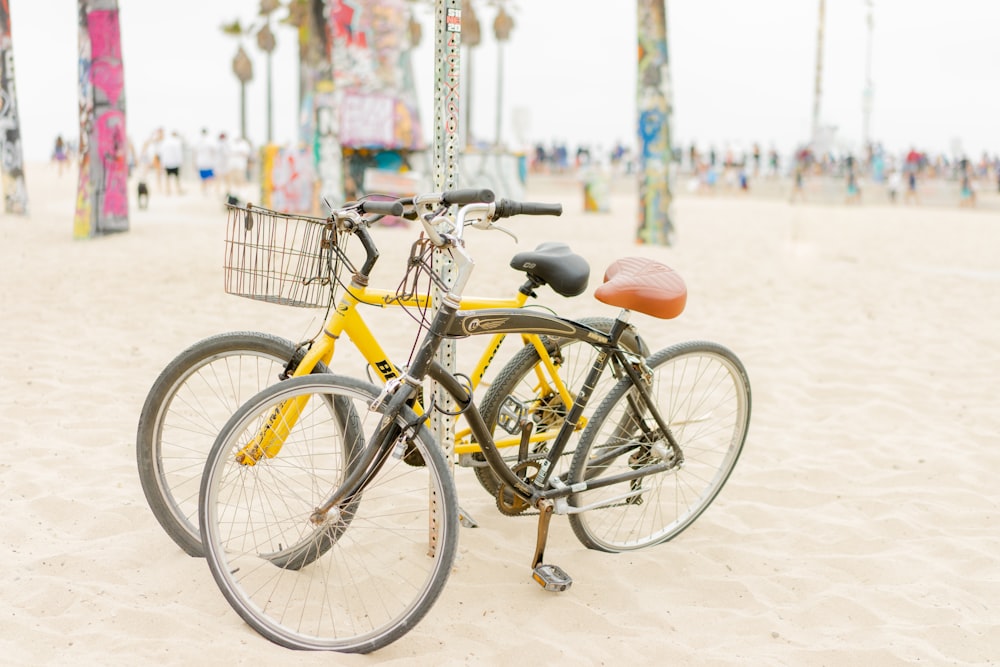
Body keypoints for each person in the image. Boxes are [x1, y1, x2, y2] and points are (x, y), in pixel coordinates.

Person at [193, 128, 219, 194]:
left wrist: (194, 163)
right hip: (208, 163)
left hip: (201, 162)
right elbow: (214, 151)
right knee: (210, 177)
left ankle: (204, 191)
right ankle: (208, 190)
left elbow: (195, 153)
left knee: (203, 179)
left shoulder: (198, 141)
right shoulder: (210, 141)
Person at [160, 130, 184, 195]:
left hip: (167, 162)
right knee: (177, 178)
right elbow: (179, 153)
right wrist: (180, 162)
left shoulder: (165, 142)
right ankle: (178, 190)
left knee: (167, 178)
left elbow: (162, 153)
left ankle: (168, 191)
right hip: (175, 162)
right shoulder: (177, 142)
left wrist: (163, 163)